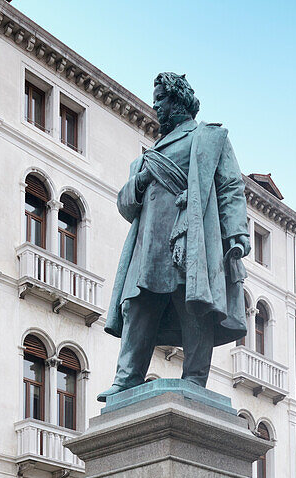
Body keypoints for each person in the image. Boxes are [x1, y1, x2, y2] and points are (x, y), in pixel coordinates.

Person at [99, 71, 250, 401]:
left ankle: (195, 378)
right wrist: (139, 180)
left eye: (161, 100)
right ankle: (127, 378)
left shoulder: (209, 139)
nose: (156, 108)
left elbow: (230, 188)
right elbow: (126, 206)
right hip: (149, 244)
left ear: (179, 100)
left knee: (193, 304)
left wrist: (237, 233)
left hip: (189, 237)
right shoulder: (146, 158)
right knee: (136, 306)